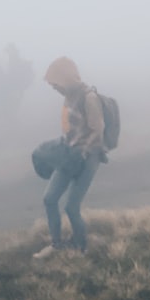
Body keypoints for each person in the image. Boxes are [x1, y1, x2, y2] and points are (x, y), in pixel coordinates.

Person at [34, 57, 107, 259]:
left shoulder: (89, 97)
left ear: (66, 79)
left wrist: (82, 153)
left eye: (55, 84)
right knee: (49, 199)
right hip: (69, 154)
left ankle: (82, 248)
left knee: (71, 207)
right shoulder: (69, 97)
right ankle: (56, 245)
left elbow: (98, 131)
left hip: (88, 157)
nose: (54, 88)